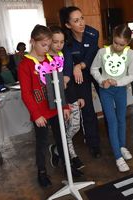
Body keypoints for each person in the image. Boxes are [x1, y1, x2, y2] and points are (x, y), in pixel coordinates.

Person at [18, 24, 70, 187]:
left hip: (55, 108)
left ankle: (67, 167)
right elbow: (26, 93)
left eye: (49, 45)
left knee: (62, 138)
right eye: (43, 45)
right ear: (32, 41)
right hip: (40, 113)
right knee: (42, 143)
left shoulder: (51, 59)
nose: (47, 49)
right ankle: (42, 172)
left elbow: (58, 86)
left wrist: (65, 106)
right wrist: (36, 114)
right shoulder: (24, 65)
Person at [90, 24, 133, 172]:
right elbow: (93, 69)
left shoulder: (130, 54)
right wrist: (101, 81)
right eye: (115, 43)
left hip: (121, 90)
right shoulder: (102, 52)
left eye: (121, 44)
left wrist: (119, 82)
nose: (117, 46)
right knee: (112, 121)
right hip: (106, 91)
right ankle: (118, 157)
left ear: (128, 43)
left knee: (122, 119)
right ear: (112, 39)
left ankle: (122, 147)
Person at [59, 6, 101, 158]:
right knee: (87, 108)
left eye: (82, 18)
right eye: (76, 21)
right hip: (79, 76)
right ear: (68, 25)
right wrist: (72, 70)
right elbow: (68, 62)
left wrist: (80, 65)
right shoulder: (66, 41)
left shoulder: (93, 33)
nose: (81, 23)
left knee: (108, 103)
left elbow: (91, 56)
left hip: (95, 69)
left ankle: (114, 139)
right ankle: (93, 144)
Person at [47, 25, 85, 173]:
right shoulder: (45, 58)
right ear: (49, 41)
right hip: (57, 100)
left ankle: (57, 148)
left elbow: (73, 75)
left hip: (71, 95)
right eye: (55, 41)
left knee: (75, 126)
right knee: (62, 128)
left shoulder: (66, 54)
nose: (59, 45)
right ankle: (72, 156)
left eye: (61, 42)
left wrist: (80, 95)